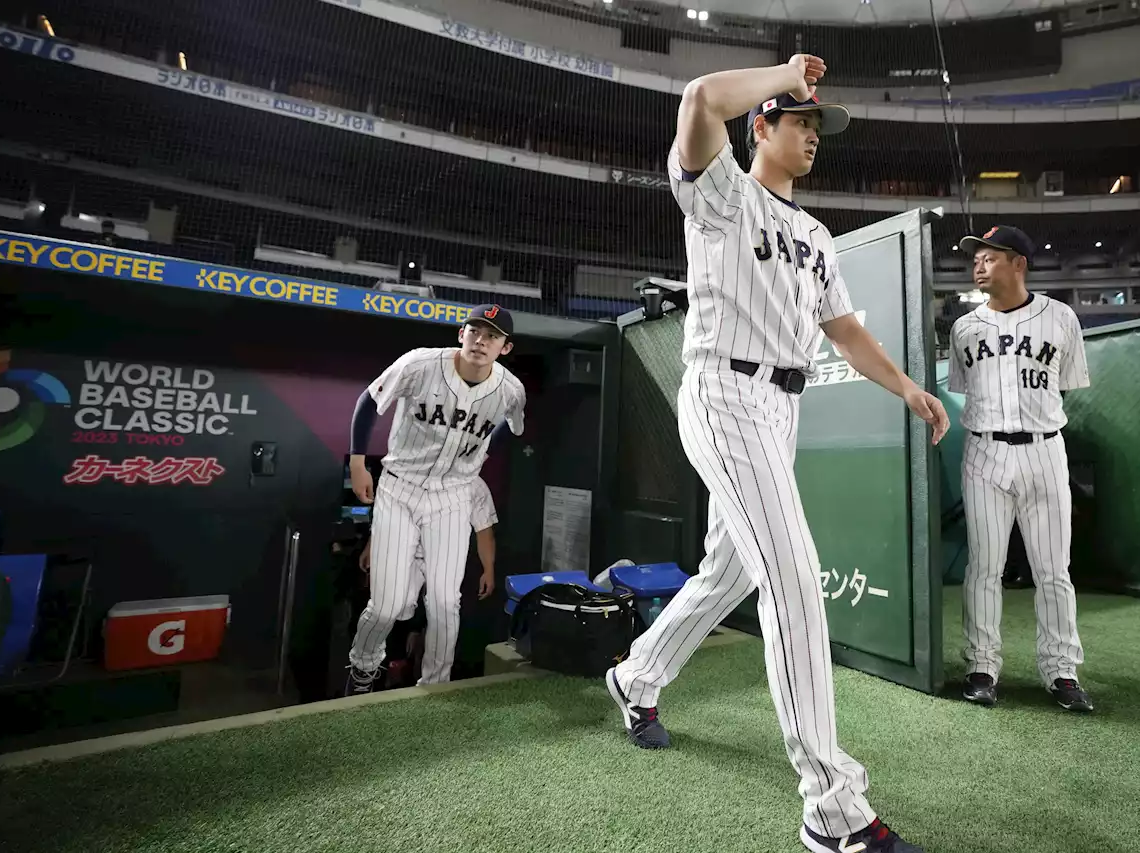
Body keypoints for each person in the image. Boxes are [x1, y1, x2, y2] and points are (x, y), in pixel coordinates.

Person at [604, 55, 948, 853]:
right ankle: (832, 807)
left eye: (818, 125)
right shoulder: (721, 194)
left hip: (779, 406)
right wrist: (785, 72)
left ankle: (636, 676)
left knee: (728, 571)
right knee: (791, 575)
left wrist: (904, 385)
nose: (814, 135)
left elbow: (844, 330)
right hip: (722, 393)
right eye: (801, 121)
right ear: (763, 124)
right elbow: (699, 98)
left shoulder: (816, 234)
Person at [947, 225, 1093, 713]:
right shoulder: (964, 327)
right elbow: (965, 388)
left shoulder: (1061, 318)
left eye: (990, 257)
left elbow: (1067, 384)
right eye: (976, 259)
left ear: (1019, 263)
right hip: (985, 452)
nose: (978, 265)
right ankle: (982, 666)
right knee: (984, 567)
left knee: (1054, 570)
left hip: (1045, 451)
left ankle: (1062, 672)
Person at [344, 304, 524, 695]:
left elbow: (512, 425)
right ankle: (362, 666)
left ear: (504, 348)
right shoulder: (420, 364)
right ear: (461, 334)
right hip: (399, 488)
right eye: (475, 330)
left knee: (445, 604)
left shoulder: (510, 390)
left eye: (492, 335)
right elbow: (367, 403)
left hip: (452, 496)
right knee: (388, 606)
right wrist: (358, 463)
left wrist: (480, 452)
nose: (481, 340)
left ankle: (436, 685)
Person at [358, 475, 500, 685]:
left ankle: (434, 682)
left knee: (444, 610)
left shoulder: (474, 485)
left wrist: (488, 569)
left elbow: (484, 530)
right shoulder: (411, 472)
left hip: (444, 560)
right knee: (391, 609)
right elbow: (389, 515)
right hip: (406, 556)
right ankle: (367, 669)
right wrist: (373, 545)